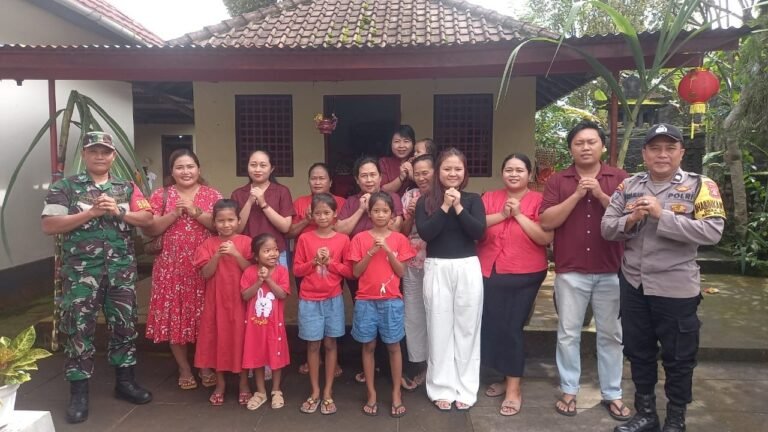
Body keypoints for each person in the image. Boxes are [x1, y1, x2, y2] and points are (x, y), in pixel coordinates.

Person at [602, 123, 725, 432]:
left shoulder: (701, 186)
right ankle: (645, 414)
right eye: (655, 148)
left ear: (681, 152)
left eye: (670, 148)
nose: (662, 154)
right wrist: (631, 218)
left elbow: (713, 231)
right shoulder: (629, 186)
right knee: (638, 352)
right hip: (634, 285)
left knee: (679, 359)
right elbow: (607, 227)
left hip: (676, 287)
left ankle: (675, 419)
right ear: (644, 154)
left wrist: (662, 215)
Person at [41, 131, 153, 424]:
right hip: (81, 274)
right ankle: (79, 392)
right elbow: (50, 225)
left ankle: (125, 382)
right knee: (79, 330)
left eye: (105, 151)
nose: (100, 156)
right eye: (94, 151)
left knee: (124, 327)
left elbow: (148, 218)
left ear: (113, 156)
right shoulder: (65, 187)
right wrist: (90, 213)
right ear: (85, 155)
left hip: (121, 273)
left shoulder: (127, 188)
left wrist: (118, 211)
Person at [538, 120, 630, 420]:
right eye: (579, 143)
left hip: (611, 270)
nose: (586, 147)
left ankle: (613, 393)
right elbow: (547, 221)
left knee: (611, 335)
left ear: (602, 145)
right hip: (571, 271)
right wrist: (577, 195)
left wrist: (603, 196)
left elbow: (629, 221)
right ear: (571, 148)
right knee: (568, 333)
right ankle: (569, 388)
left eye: (591, 142)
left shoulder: (619, 178)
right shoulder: (558, 181)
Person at [479, 154, 552, 416]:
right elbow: (477, 229)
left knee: (512, 328)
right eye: (508, 169)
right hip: (489, 269)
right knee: (495, 326)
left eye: (519, 170)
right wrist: (501, 214)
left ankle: (514, 389)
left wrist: (519, 215)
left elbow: (544, 237)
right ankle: (505, 377)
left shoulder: (540, 201)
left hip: (526, 273)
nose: (513, 174)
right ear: (502, 173)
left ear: (529, 174)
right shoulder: (489, 198)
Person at [143, 149, 222, 391]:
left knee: (205, 317)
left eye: (190, 166)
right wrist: (175, 213)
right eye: (180, 167)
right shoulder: (161, 195)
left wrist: (195, 210)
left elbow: (221, 226)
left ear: (199, 169)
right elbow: (150, 229)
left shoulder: (212, 195)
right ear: (172, 172)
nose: (186, 172)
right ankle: (184, 368)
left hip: (203, 266)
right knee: (175, 318)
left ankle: (205, 365)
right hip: (171, 268)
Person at [415, 148, 486, 411]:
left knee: (467, 329)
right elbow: (426, 233)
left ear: (465, 172)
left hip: (467, 267)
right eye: (447, 169)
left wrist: (458, 206)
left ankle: (466, 388)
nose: (453, 173)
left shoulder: (473, 199)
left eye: (458, 169)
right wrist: (445, 205)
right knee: (439, 327)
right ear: (438, 172)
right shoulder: (426, 201)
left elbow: (478, 232)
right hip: (438, 267)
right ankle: (440, 387)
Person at [336, 156, 404, 384]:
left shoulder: (393, 197)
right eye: (363, 175)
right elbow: (342, 229)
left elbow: (398, 226)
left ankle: (388, 369)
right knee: (365, 316)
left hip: (388, 267)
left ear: (380, 177)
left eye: (372, 174)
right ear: (356, 179)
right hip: (360, 265)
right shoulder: (352, 201)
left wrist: (377, 210)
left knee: (390, 317)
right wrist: (361, 210)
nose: (368, 179)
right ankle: (368, 368)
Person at [348, 192, 416, 417]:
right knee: (368, 346)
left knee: (394, 346)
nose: (380, 215)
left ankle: (396, 393)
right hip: (366, 300)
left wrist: (387, 250)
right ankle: (371, 392)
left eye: (385, 211)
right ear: (369, 213)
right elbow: (356, 272)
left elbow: (402, 271)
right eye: (376, 210)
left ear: (392, 215)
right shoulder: (359, 238)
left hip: (391, 301)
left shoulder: (399, 239)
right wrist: (371, 251)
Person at [293, 193, 352, 415]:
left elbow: (349, 272)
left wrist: (332, 263)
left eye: (327, 212)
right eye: (318, 213)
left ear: (335, 214)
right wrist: (313, 262)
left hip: (333, 299)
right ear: (312, 215)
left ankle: (328, 391)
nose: (323, 217)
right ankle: (315, 390)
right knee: (313, 345)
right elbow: (297, 270)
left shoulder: (342, 240)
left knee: (330, 344)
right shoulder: (305, 239)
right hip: (309, 299)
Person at [287, 162, 345, 377]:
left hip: (334, 261)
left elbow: (345, 229)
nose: (318, 182)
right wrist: (306, 220)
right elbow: (290, 232)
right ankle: (313, 358)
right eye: (314, 178)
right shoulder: (300, 203)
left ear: (330, 181)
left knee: (332, 313)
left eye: (322, 178)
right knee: (310, 313)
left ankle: (333, 361)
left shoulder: (341, 202)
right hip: (307, 261)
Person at [193, 199, 253, 406]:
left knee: (242, 341)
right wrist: (217, 255)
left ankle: (244, 383)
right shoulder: (208, 244)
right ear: (214, 222)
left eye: (231, 220)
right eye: (221, 221)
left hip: (241, 301)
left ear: (238, 221)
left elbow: (251, 272)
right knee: (217, 340)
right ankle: (220, 384)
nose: (226, 225)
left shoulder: (246, 242)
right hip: (216, 302)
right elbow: (206, 273)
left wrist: (236, 254)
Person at [241, 233, 291, 411]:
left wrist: (268, 279)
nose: (273, 254)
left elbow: (282, 294)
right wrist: (259, 281)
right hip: (255, 327)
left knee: (275, 358)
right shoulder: (248, 272)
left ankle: (276, 390)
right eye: (267, 250)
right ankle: (261, 392)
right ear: (256, 255)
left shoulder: (282, 271)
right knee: (258, 358)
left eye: (275, 250)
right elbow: (246, 295)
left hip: (274, 326)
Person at [399, 154, 435, 389]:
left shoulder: (444, 196)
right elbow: (401, 232)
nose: (421, 177)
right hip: (412, 261)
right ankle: (419, 364)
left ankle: (438, 366)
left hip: (438, 261)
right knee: (413, 314)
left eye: (426, 172)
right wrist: (410, 214)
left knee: (438, 313)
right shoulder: (409, 196)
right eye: (417, 173)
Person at [231, 149, 295, 267]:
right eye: (253, 165)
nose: (257, 169)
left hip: (275, 253)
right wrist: (249, 202)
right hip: (247, 253)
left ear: (271, 169)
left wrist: (264, 204)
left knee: (277, 285)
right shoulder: (238, 194)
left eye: (263, 165)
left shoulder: (282, 191)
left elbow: (285, 227)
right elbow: (236, 229)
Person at [380, 125, 416, 195]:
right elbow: (383, 190)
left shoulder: (418, 161)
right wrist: (401, 177)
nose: (401, 146)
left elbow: (428, 185)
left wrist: (412, 176)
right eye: (397, 141)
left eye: (406, 141)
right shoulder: (384, 162)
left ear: (413, 143)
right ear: (391, 143)